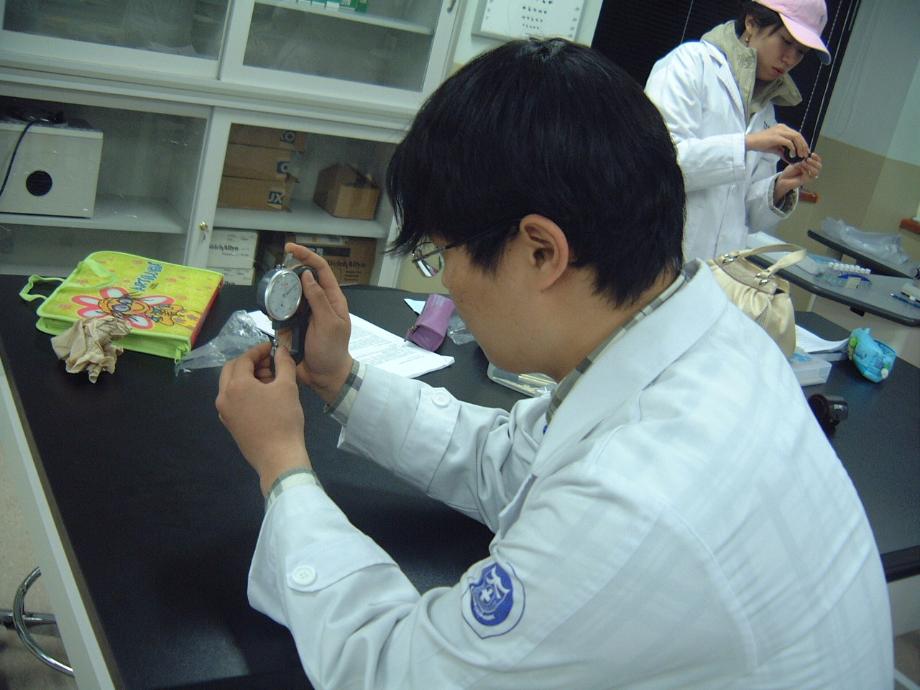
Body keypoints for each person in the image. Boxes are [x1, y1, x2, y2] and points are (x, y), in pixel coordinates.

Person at [216, 38, 892, 689]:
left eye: (443, 253)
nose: (445, 282)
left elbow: (399, 671)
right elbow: (504, 461)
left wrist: (283, 466)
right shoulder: (707, 342)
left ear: (541, 251)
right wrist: (340, 381)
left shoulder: (631, 504)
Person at [645, 0, 828, 261]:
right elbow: (659, 165)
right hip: (658, 255)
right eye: (786, 42)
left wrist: (780, 186)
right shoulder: (690, 64)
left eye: (801, 52)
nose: (790, 59)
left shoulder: (765, 109)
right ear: (752, 22)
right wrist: (747, 143)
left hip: (718, 269)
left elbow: (749, 215)